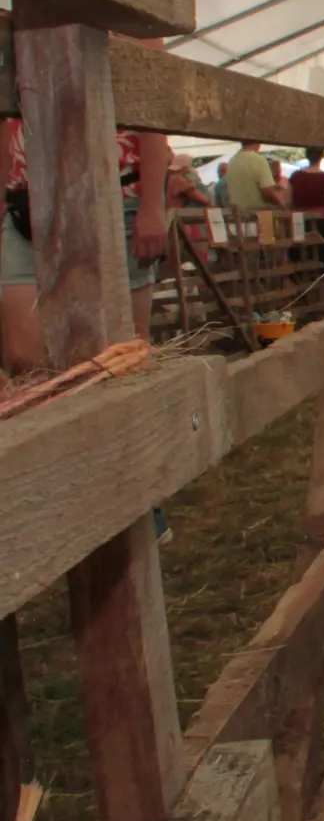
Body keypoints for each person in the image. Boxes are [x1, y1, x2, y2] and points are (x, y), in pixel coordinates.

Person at [0, 32, 175, 541]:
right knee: (23, 350)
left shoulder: (131, 22)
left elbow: (151, 118)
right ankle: (68, 483)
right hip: (23, 201)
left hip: (110, 192)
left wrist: (151, 205)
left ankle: (142, 496)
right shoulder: (18, 23)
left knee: (120, 355)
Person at [226, 142, 287, 209]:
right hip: (256, 214)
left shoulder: (231, 161)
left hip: (237, 213)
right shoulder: (259, 160)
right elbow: (266, 191)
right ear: (258, 143)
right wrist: (280, 205)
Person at [288, 148, 324, 218]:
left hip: (300, 220)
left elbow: (288, 202)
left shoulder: (295, 176)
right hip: (321, 221)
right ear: (322, 157)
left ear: (307, 156)